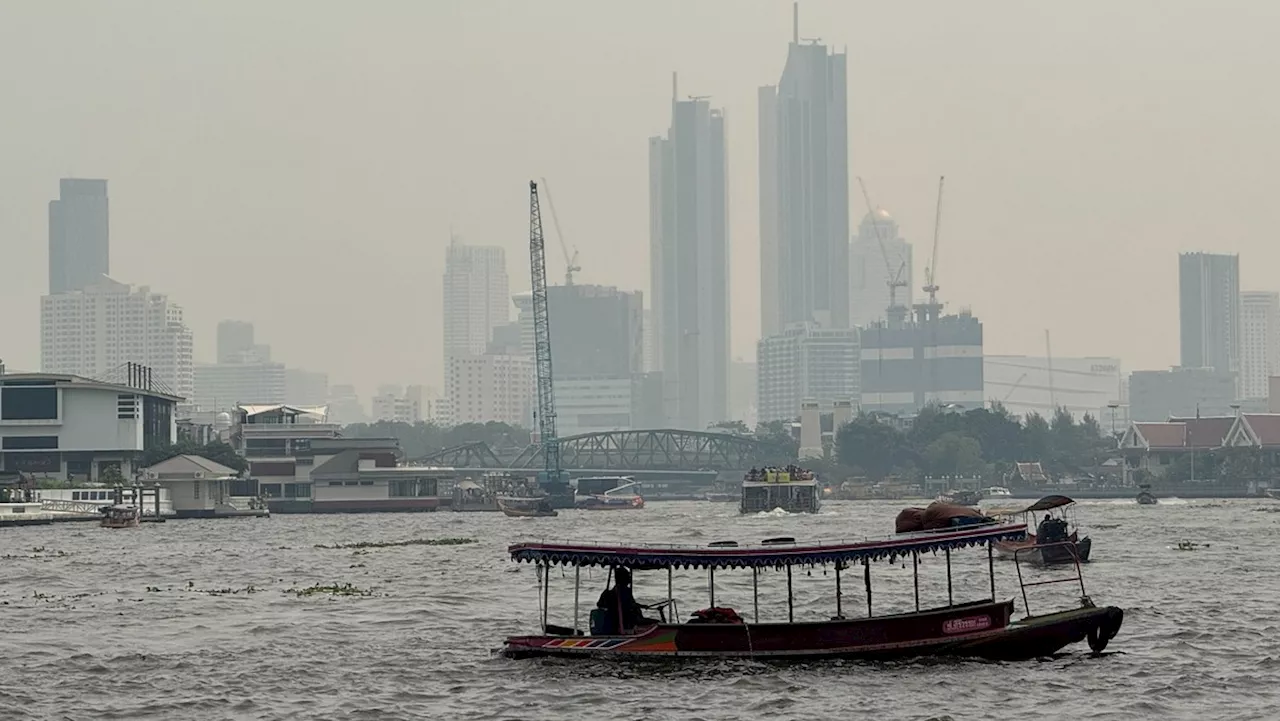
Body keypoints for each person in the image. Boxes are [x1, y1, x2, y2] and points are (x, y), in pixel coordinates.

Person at [596, 567, 658, 633]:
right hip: (628, 620)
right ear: (623, 578)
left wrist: (642, 606)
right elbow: (629, 605)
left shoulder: (614, 591)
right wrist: (639, 606)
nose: (629, 578)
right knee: (658, 623)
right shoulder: (622, 591)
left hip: (624, 620)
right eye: (628, 576)